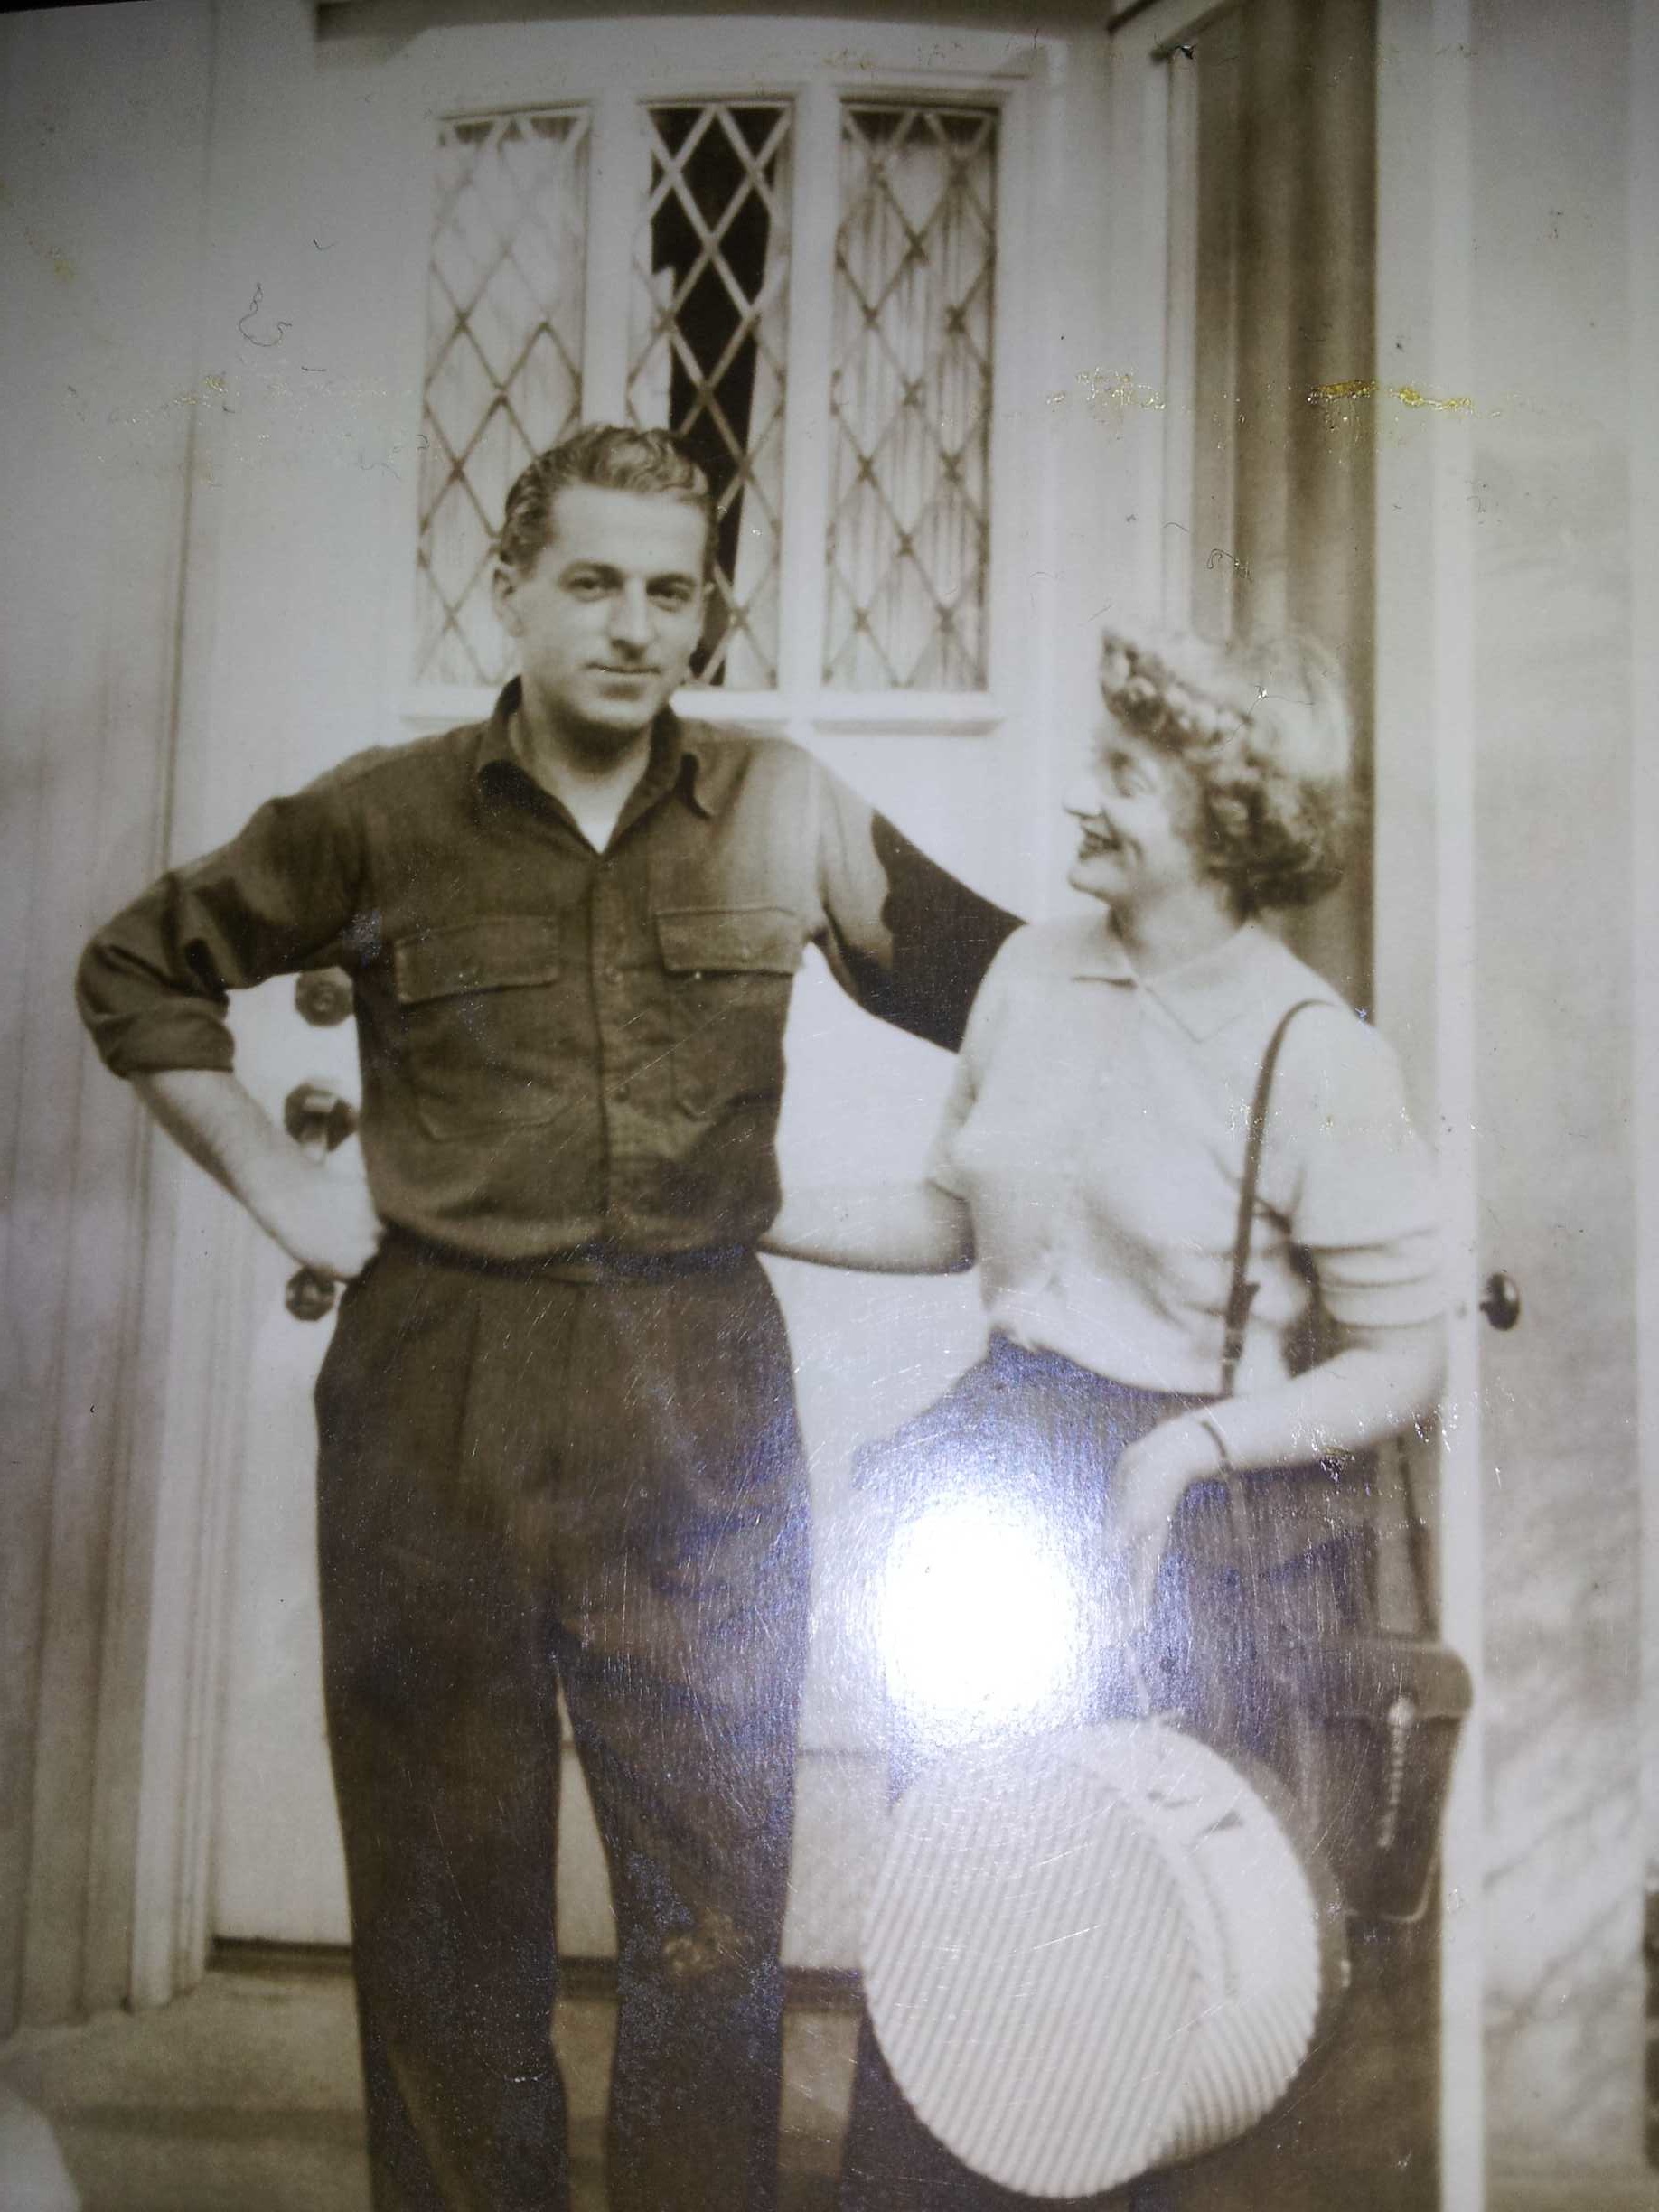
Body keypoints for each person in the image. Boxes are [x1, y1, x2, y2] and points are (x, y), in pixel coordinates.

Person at [75, 425, 1018, 2212]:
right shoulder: (379, 817)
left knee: (713, 1910)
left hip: (697, 1400)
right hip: (439, 1397)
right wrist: (280, 1188)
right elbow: (134, 971)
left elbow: (1020, 994)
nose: (633, 625)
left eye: (671, 590)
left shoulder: (786, 808)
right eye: (592, 582)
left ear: (706, 610)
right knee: (445, 1908)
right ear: (509, 591)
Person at [761, 623, 1446, 2210]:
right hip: (996, 1481)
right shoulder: (1030, 975)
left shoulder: (1313, 1052)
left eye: (1127, 777)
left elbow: (1406, 1360)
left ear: (1228, 817)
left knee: (1139, 1940)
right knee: (956, 1896)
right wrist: (749, 1207)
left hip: (1187, 1525)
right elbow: (954, 1219)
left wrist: (1190, 1449)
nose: (1087, 798)